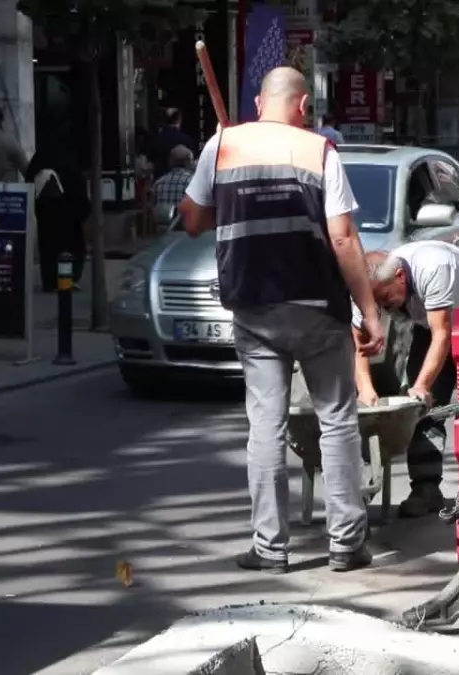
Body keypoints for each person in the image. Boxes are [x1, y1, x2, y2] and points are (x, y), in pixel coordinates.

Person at [178, 66, 386, 574]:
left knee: (264, 427)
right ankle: (345, 544)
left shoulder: (221, 145)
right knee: (337, 422)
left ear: (258, 102)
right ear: (300, 107)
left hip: (253, 306)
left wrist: (227, 195)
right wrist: (370, 309)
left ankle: (270, 548)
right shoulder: (318, 150)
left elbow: (192, 221)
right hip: (317, 306)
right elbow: (342, 238)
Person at [351, 241, 459, 517]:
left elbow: (442, 333)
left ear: (400, 277)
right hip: (431, 326)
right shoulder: (366, 287)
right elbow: (358, 342)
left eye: (385, 300)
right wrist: (366, 391)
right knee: (419, 408)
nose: (383, 310)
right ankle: (426, 489)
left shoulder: (434, 266)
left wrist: (423, 384)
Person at [25, 143, 89, 291]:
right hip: (68, 211)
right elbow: (78, 184)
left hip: (46, 212)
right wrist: (83, 209)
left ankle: (49, 281)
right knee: (72, 246)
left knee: (47, 247)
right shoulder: (69, 157)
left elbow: (30, 179)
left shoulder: (40, 156)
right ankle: (69, 279)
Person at [151, 145, 195, 225]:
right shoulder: (193, 182)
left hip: (163, 233)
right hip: (186, 232)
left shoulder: (158, 183)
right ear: (188, 162)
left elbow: (153, 209)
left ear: (170, 162)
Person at [149, 108, 196, 178]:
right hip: (183, 180)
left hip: (159, 180)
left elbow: (150, 162)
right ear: (179, 120)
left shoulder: (156, 139)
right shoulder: (186, 140)